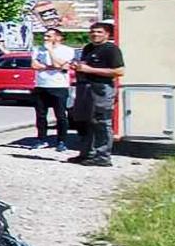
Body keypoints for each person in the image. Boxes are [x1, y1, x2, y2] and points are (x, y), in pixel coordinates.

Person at [69, 21, 125, 166]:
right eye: (93, 31)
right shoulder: (88, 48)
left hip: (101, 89)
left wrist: (89, 70)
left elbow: (119, 71)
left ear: (107, 34)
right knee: (85, 121)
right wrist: (77, 66)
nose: (95, 34)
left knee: (101, 122)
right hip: (85, 88)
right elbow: (84, 66)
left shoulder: (111, 49)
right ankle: (87, 153)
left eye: (99, 32)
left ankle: (103, 156)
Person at [31, 28, 75, 151]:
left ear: (58, 37)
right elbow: (34, 65)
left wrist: (50, 51)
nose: (45, 39)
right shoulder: (37, 49)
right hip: (41, 85)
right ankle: (41, 139)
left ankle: (61, 141)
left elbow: (60, 64)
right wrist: (54, 67)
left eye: (49, 36)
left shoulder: (67, 50)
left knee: (60, 116)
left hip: (59, 86)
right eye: (45, 36)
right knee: (40, 115)